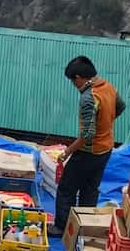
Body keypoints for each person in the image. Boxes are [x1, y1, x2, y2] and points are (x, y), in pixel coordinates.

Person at [50, 56, 125, 236]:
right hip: (105, 149)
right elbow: (121, 107)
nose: (74, 85)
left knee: (67, 188)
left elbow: (87, 135)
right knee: (90, 190)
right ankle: (84, 225)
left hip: (88, 152)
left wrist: (67, 151)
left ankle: (62, 227)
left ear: (78, 77)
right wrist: (105, 124)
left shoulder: (89, 97)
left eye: (73, 81)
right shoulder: (108, 87)